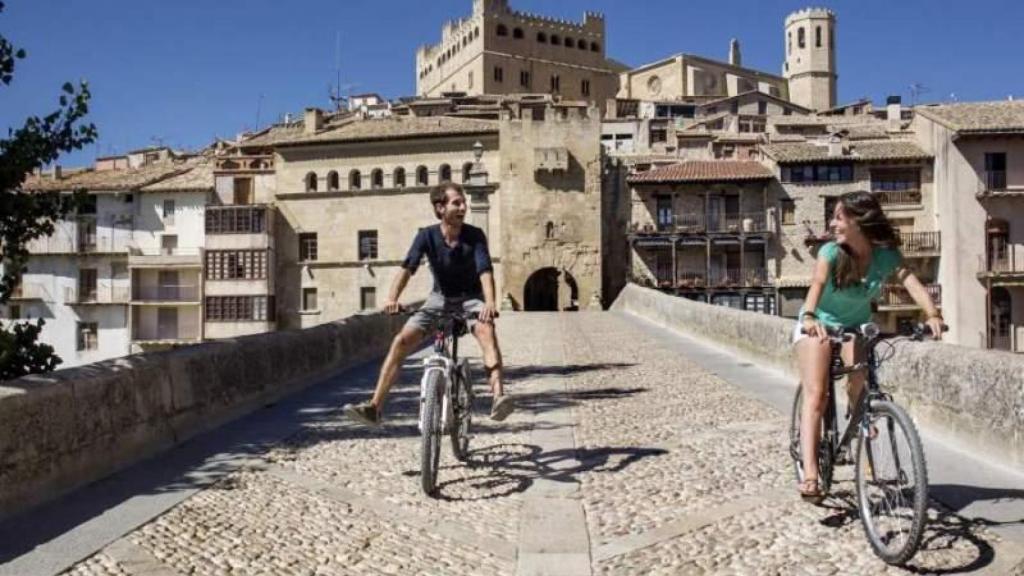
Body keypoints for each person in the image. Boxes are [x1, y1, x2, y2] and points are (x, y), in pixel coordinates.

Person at [795, 191, 943, 501]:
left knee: (858, 385)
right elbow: (817, 284)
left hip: (855, 325)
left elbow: (911, 282)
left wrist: (932, 314)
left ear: (859, 222)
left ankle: (859, 431)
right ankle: (810, 474)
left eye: (839, 217)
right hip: (818, 322)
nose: (832, 224)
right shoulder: (830, 252)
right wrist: (808, 316)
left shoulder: (884, 255)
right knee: (817, 395)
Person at [344, 182, 514, 426]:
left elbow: (485, 270)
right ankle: (375, 407)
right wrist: (392, 299)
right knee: (400, 341)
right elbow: (408, 268)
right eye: (456, 203)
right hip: (439, 298)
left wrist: (489, 303)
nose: (463, 207)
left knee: (487, 330)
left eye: (464, 202)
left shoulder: (475, 235)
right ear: (440, 208)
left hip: (471, 298)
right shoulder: (426, 235)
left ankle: (498, 397)